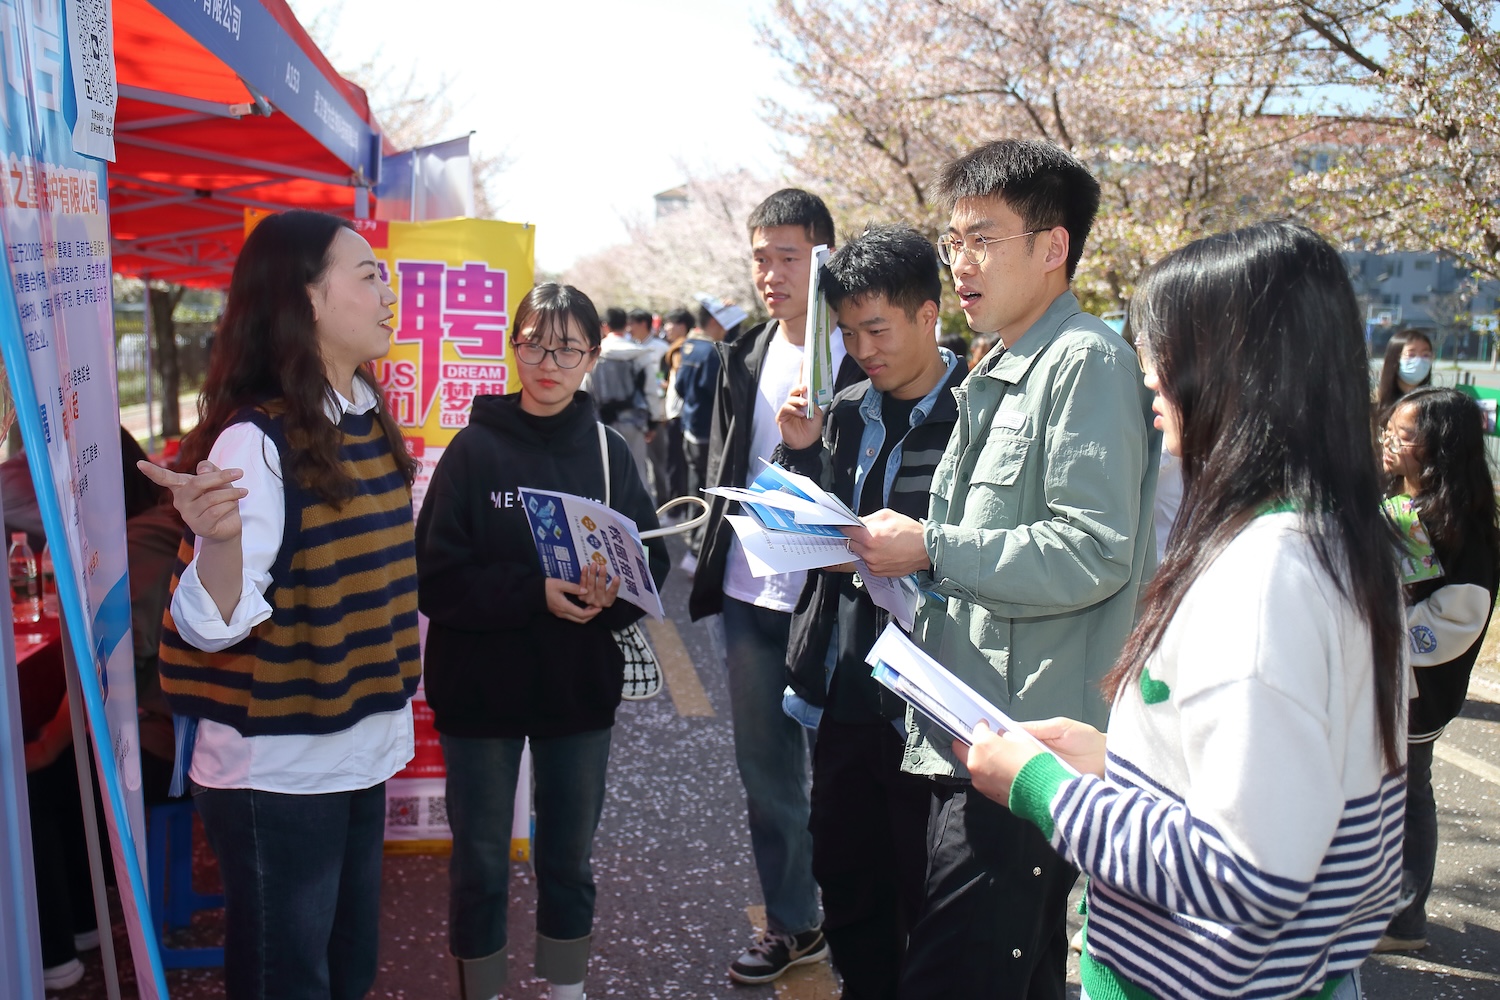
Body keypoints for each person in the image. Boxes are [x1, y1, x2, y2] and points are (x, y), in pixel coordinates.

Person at [959, 219, 1409, 1000]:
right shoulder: (1330, 539)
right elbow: (1282, 792)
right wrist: (1120, 760)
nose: (1148, 375)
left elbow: (1248, 875)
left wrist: (1039, 785)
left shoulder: (1268, 576)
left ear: (1234, 362)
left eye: (1162, 348)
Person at [843, 139, 1158, 1000]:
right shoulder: (1006, 362)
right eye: (954, 241)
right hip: (980, 725)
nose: (962, 263)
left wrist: (932, 548)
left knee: (956, 972)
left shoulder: (1086, 361)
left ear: (1053, 248)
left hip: (1029, 737)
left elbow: (1094, 549)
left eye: (984, 238)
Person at [144, 209, 421, 1000]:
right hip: (280, 767)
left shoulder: (364, 415)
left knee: (345, 972)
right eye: (368, 274)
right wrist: (220, 541)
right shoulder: (254, 442)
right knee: (285, 979)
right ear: (304, 301)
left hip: (358, 747)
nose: (387, 291)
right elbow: (207, 623)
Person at [415, 283, 669, 1000]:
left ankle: (566, 987)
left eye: (566, 348)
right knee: (481, 862)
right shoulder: (472, 450)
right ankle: (483, 988)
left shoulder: (608, 452)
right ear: (514, 345)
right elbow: (436, 578)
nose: (547, 362)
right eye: (533, 342)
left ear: (592, 356)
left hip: (575, 689)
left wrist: (604, 597)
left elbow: (648, 565)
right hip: (479, 691)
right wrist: (534, 592)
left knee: (567, 858)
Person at [774, 225, 966, 1000]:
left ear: (929, 313)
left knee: (931, 894)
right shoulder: (846, 409)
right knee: (847, 875)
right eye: (848, 333)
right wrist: (800, 456)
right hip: (847, 685)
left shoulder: (978, 417)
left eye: (876, 329)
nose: (862, 349)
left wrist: (924, 551)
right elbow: (812, 532)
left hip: (935, 702)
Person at [687, 188, 863, 984]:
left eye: (788, 256)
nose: (770, 272)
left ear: (824, 258)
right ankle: (795, 922)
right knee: (766, 773)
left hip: (834, 595)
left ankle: (862, 919)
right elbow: (725, 456)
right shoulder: (744, 352)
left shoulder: (860, 354)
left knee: (850, 771)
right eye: (760, 257)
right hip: (747, 594)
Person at [1376, 386, 1500, 953]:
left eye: (1404, 436)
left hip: (1418, 688)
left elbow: (1461, 614)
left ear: (1440, 447)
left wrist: (1387, 631)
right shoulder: (1395, 499)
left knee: (1408, 794)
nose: (1390, 443)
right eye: (1390, 430)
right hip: (1382, 675)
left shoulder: (1463, 525)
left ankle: (1404, 920)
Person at [676, 296, 743, 569]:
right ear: (716, 321)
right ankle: (697, 553)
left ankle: (692, 544)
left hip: (690, 428)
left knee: (695, 488)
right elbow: (719, 396)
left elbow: (680, 387)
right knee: (711, 495)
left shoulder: (690, 346)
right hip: (708, 433)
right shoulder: (714, 352)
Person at [590, 306, 655, 481]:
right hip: (635, 421)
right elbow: (650, 390)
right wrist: (653, 421)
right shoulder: (640, 354)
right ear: (625, 325)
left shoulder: (594, 354)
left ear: (604, 326)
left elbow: (586, 390)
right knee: (637, 473)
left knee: (606, 474)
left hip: (601, 421)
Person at [660, 307, 695, 506]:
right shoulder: (680, 348)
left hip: (679, 415)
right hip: (678, 414)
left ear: (681, 326)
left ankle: (676, 508)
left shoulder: (683, 349)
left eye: (670, 323)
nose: (666, 328)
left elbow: (682, 384)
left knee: (676, 463)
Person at [1375, 327, 1435, 417]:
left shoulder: (1434, 404)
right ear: (1395, 358)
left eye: (1425, 355)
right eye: (1411, 355)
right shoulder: (1374, 403)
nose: (1418, 360)